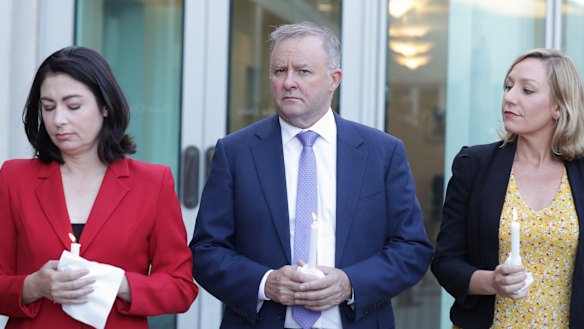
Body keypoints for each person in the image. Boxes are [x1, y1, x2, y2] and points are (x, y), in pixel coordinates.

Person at [190, 21, 433, 328]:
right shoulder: (236, 152)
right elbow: (206, 251)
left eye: (303, 71)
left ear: (334, 79)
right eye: (279, 71)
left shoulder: (382, 152)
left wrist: (350, 283)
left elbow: (412, 249)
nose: (288, 82)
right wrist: (266, 283)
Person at [0, 46, 198, 328]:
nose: (58, 120)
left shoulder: (153, 183)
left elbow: (181, 288)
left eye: (73, 106)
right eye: (48, 107)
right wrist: (33, 286)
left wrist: (120, 283)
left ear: (105, 105)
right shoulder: (14, 177)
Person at [431, 48, 584, 328]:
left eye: (527, 90)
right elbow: (445, 262)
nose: (509, 97)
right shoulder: (473, 165)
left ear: (558, 107)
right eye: (508, 86)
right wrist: (491, 282)